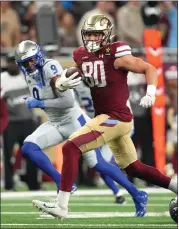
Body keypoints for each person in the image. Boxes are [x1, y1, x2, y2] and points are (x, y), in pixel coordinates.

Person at [47, 14, 177, 219]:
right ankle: (177, 187)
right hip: (109, 118)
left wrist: (151, 92)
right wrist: (61, 82)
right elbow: (74, 74)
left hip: (116, 117)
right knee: (134, 168)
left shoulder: (115, 53)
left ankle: (61, 206)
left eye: (97, 35)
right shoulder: (81, 54)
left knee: (70, 147)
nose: (92, 39)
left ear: (106, 36)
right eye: (88, 34)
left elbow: (149, 68)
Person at [15, 40, 147, 214]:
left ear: (38, 56)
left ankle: (137, 194)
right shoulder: (29, 73)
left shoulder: (51, 67)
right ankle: (62, 183)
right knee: (28, 148)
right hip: (55, 122)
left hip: (74, 121)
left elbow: (68, 101)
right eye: (25, 63)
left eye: (31, 61)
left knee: (98, 164)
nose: (29, 66)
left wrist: (39, 102)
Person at [1, 52, 40, 191]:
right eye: (10, 61)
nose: (12, 64)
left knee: (32, 153)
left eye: (14, 61)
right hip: (10, 123)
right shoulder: (2, 78)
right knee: (8, 155)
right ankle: (9, 185)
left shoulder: (27, 76)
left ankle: (33, 185)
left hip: (28, 121)